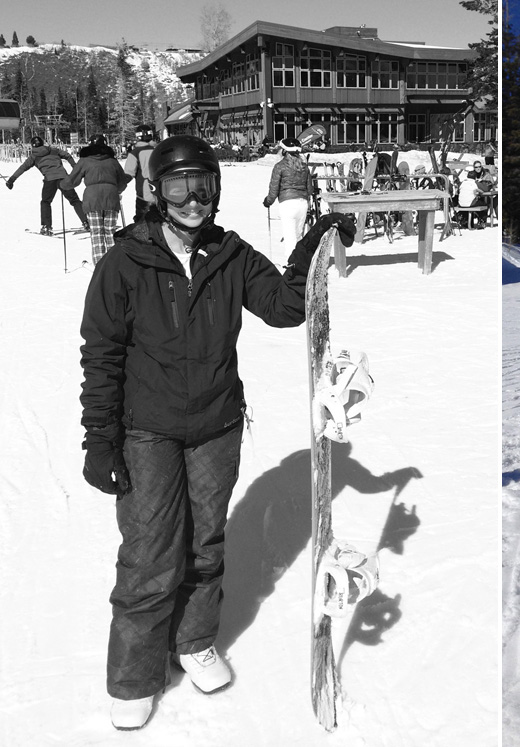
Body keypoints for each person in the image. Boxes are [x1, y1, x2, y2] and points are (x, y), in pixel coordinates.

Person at [79, 134, 356, 731]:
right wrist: (99, 438)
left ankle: (194, 641)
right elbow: (100, 354)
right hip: (146, 429)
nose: (192, 198)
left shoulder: (230, 256)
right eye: (178, 185)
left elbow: (285, 306)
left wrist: (312, 244)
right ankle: (134, 677)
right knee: (150, 555)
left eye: (202, 184)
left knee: (205, 545)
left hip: (216, 425)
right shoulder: (124, 263)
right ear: (156, 191)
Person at [62, 134, 129, 264]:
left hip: (92, 200)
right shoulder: (112, 161)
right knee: (110, 231)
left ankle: (100, 264)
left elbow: (72, 180)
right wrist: (117, 190)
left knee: (97, 232)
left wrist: (63, 184)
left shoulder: (85, 161)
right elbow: (122, 182)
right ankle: (113, 262)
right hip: (111, 199)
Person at [5, 135, 89, 235]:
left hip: (49, 180)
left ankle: (46, 226)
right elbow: (68, 155)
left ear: (32, 146)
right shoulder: (53, 150)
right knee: (74, 200)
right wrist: (75, 169)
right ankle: (86, 222)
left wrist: (11, 180)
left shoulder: (34, 156)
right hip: (64, 178)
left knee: (46, 202)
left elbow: (22, 168)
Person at [263, 137, 310, 249]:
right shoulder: (304, 167)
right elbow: (310, 189)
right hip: (302, 203)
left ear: (284, 151)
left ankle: (291, 264)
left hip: (288, 204)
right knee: (298, 237)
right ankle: (299, 263)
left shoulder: (279, 166)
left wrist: (268, 201)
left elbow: (274, 189)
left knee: (290, 238)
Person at [123, 123, 157, 223]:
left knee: (142, 220)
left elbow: (129, 173)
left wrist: (119, 185)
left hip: (144, 193)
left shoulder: (135, 153)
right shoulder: (157, 150)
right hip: (160, 191)